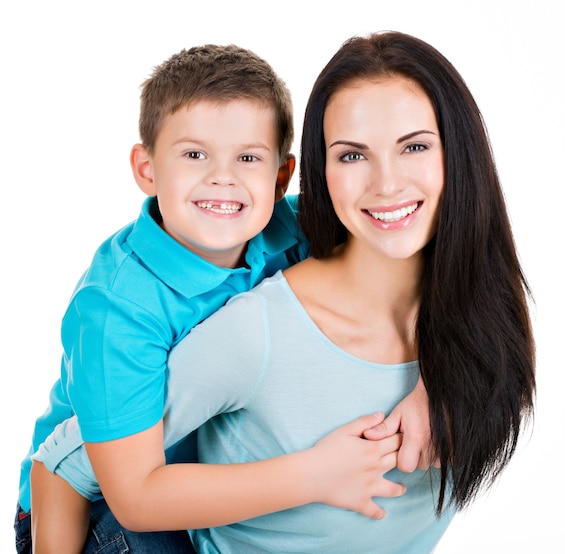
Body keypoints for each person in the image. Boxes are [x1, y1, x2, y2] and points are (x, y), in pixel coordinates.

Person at [16, 43, 421, 554]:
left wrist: (434, 384)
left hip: (201, 481)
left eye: (247, 157)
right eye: (194, 154)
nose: (222, 177)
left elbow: (412, 256)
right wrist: (317, 474)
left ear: (281, 177)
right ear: (146, 168)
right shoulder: (118, 308)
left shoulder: (291, 228)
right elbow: (123, 492)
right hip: (96, 505)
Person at [150, 30, 537, 552]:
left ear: (460, 155)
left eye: (415, 147)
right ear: (319, 172)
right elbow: (74, 463)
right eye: (353, 156)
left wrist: (441, 378)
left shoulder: (486, 321)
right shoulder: (255, 331)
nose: (387, 184)